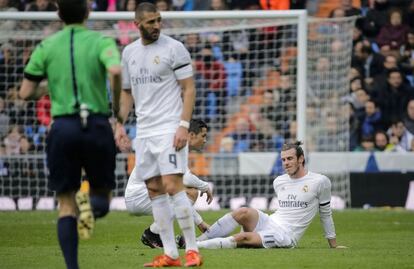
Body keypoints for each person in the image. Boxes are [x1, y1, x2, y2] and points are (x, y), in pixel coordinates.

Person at [18, 0, 122, 268]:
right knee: (103, 194)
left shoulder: (46, 46)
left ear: (58, 14)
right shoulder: (101, 41)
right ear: (88, 12)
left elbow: (25, 93)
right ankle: (94, 206)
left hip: (63, 127)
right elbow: (115, 70)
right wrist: (118, 110)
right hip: (97, 124)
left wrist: (52, 86)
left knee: (65, 205)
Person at [115, 2, 202, 267]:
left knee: (174, 186)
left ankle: (193, 251)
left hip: (169, 128)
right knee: (154, 191)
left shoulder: (174, 48)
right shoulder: (129, 53)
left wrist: (184, 125)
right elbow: (126, 92)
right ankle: (170, 254)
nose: (156, 25)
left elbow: (188, 88)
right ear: (136, 24)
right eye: (150, 21)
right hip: (144, 132)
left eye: (158, 20)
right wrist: (119, 124)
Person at [195, 141, 347, 250]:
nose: (286, 163)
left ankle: (195, 246)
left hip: (286, 236)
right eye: (283, 160)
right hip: (270, 221)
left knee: (243, 238)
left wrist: (333, 244)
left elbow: (326, 214)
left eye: (290, 159)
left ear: (301, 159)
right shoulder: (279, 181)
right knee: (243, 211)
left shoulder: (320, 181)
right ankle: (195, 241)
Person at [124, 119, 213, 248]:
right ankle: (153, 233)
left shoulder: (175, 144)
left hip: (145, 194)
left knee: (184, 192)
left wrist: (200, 222)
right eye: (203, 136)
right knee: (190, 192)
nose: (205, 140)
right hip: (139, 196)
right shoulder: (173, 146)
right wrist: (205, 187)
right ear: (192, 135)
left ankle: (159, 235)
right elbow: (186, 179)